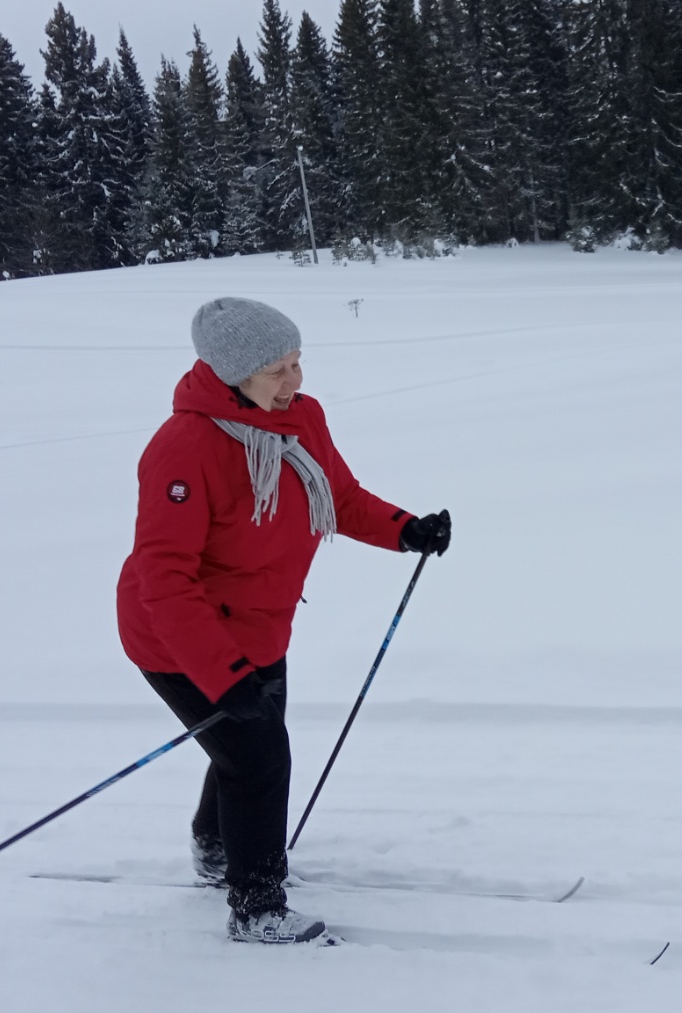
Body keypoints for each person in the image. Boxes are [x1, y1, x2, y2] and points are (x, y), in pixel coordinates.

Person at [117, 297, 451, 944]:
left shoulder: (300, 418)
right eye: (277, 369)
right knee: (260, 757)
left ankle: (215, 847)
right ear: (232, 372)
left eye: (297, 362)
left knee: (245, 744)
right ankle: (257, 905)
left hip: (261, 624)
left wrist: (405, 529)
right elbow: (165, 577)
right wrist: (220, 674)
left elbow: (340, 496)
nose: (294, 380)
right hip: (175, 637)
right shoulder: (183, 448)